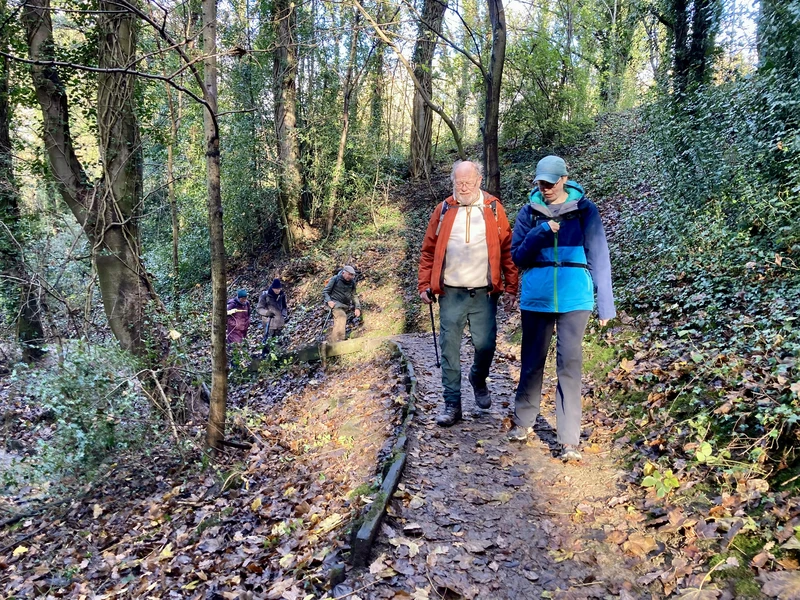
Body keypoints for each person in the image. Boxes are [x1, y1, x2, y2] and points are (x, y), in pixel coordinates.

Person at [507, 155, 615, 461]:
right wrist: (541, 232)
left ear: (564, 180)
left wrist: (605, 303)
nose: (546, 188)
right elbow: (518, 257)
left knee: (569, 365)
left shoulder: (584, 210)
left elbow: (599, 254)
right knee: (531, 363)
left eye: (551, 182)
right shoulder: (530, 212)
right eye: (541, 182)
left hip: (575, 299)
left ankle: (569, 441)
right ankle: (523, 422)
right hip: (536, 298)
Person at [418, 160, 519, 427]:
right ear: (453, 182)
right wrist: (423, 284)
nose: (463, 187)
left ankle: (478, 377)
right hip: (450, 292)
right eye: (458, 182)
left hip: (484, 293)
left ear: (479, 181)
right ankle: (452, 405)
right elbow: (428, 251)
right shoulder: (443, 210)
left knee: (485, 345)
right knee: (449, 349)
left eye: (468, 182)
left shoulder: (494, 209)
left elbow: (507, 250)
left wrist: (511, 287)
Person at [323, 266, 361, 343]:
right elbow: (325, 291)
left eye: (352, 275)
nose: (350, 277)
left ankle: (333, 343)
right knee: (341, 317)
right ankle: (340, 340)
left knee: (338, 322)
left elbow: (354, 295)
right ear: (343, 272)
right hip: (334, 303)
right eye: (349, 274)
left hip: (345, 305)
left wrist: (357, 307)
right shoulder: (335, 279)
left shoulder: (352, 282)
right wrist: (329, 301)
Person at [257, 278, 288, 344]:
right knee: (268, 342)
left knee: (280, 343)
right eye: (276, 289)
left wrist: (284, 314)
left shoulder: (282, 295)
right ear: (272, 288)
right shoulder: (265, 295)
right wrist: (267, 313)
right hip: (268, 323)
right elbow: (259, 308)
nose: (278, 290)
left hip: (280, 323)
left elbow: (284, 307)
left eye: (279, 289)